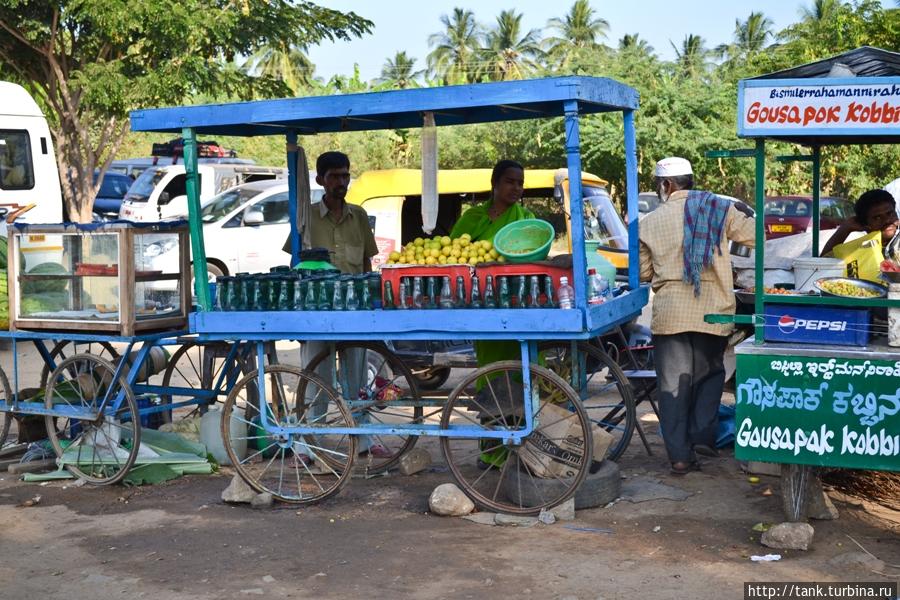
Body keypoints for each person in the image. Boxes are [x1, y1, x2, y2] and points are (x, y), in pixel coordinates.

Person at [639, 157, 755, 475]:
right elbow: (756, 236)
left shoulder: (648, 222)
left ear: (665, 185)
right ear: (690, 180)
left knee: (673, 386)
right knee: (709, 375)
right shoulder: (717, 208)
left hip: (671, 313)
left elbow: (644, 271)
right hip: (713, 309)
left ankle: (679, 456)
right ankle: (702, 437)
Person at [286, 151, 390, 460]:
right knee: (317, 379)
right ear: (320, 180)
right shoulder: (305, 217)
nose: (341, 182)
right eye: (334, 176)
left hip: (353, 310)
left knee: (357, 380)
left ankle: (363, 440)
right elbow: (293, 261)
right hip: (315, 312)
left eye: (345, 175)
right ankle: (307, 441)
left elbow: (368, 263)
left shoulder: (358, 215)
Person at [450, 159, 534, 467]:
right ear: (495, 184)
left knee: (522, 373)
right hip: (482, 306)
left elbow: (531, 255)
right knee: (491, 379)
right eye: (510, 181)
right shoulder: (473, 217)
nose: (516, 188)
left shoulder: (525, 217)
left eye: (520, 183)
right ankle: (492, 453)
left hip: (517, 304)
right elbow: (454, 255)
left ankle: (524, 449)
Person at [821, 189, 898, 257]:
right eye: (877, 218)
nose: (887, 220)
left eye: (890, 213)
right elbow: (822, 265)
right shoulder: (861, 249)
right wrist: (845, 228)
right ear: (865, 224)